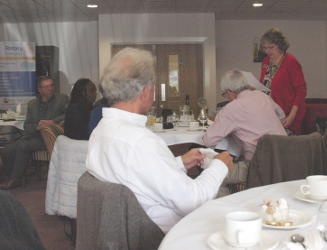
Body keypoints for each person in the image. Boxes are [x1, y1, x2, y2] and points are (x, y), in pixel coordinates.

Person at [86, 47, 233, 233]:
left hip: (126, 226)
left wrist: (179, 162)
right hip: (161, 233)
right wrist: (220, 166)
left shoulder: (101, 130)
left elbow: (136, 174)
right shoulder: (140, 141)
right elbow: (191, 201)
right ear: (145, 91)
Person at [0, 76, 69, 189]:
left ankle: (15, 179)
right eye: (46, 87)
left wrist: (51, 122)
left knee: (23, 146)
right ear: (39, 90)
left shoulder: (62, 99)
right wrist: (37, 127)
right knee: (7, 149)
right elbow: (27, 125)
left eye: (52, 85)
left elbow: (68, 115)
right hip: (34, 135)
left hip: (50, 138)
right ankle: (11, 176)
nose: (50, 89)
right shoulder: (32, 104)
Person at [203, 69, 287, 162]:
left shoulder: (232, 108)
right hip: (287, 158)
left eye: (225, 94)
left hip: (259, 165)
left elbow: (208, 140)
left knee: (209, 161)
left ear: (229, 91)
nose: (226, 98)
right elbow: (282, 116)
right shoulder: (262, 96)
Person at [259, 28, 307, 134]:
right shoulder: (266, 61)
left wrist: (292, 115)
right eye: (264, 48)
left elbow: (301, 90)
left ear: (280, 45)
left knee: (284, 145)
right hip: (272, 112)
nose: (267, 51)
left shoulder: (291, 61)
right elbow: (264, 85)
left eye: (271, 47)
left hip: (288, 113)